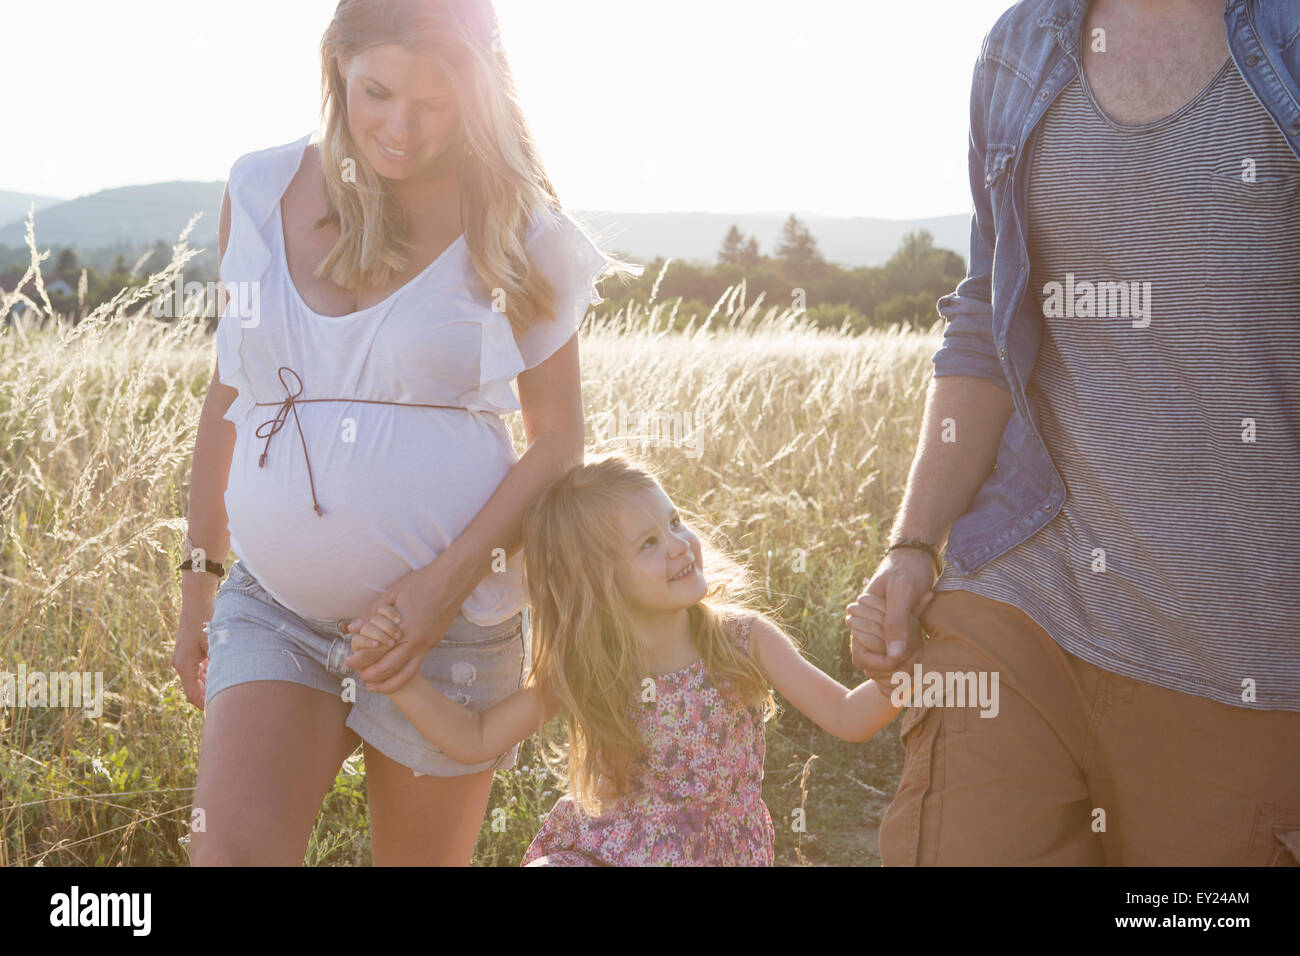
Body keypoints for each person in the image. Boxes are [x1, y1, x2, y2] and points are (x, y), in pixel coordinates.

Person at [173, 0, 637, 866]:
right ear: (335, 66)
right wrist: (200, 577)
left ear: (478, 92)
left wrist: (436, 591)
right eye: (376, 92)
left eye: (434, 103)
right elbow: (228, 391)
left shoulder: (516, 222)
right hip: (278, 607)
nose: (400, 127)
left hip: (454, 620)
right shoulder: (259, 188)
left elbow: (557, 440)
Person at [847, 0, 1300, 865]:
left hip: (1246, 644)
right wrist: (913, 548)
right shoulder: (1023, 45)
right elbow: (985, 319)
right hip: (1028, 589)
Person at [349, 454, 902, 865]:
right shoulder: (593, 668)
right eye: (649, 544)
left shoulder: (741, 641)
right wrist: (396, 678)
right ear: (601, 583)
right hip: (606, 851)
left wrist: (905, 667)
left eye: (675, 522)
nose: (680, 544)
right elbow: (475, 737)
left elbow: (850, 717)